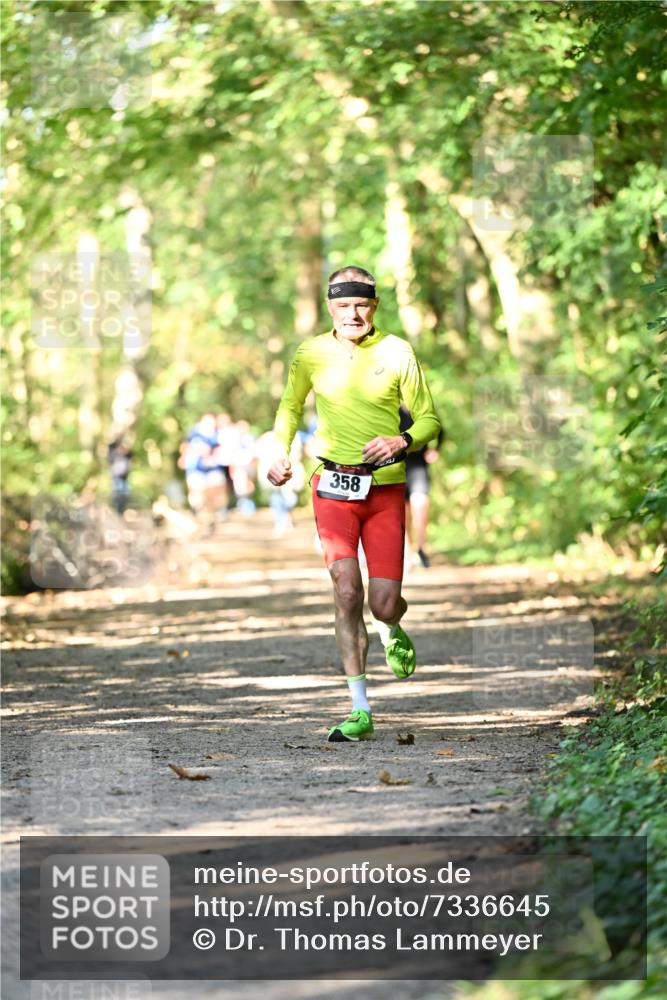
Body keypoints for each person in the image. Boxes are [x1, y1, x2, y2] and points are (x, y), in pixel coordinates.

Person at [268, 265, 441, 742]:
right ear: (330, 306)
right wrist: (278, 450)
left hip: (385, 491)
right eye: (343, 305)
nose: (353, 313)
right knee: (347, 591)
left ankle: (391, 626)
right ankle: (360, 709)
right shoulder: (311, 353)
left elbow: (429, 419)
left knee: (383, 605)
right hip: (331, 488)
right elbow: (288, 406)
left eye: (361, 304)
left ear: (375, 305)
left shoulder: (397, 351)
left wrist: (401, 439)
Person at [400, 403, 444, 569]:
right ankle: (408, 551)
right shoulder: (391, 410)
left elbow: (439, 429)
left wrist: (436, 450)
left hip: (419, 467)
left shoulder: (422, 409)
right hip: (399, 467)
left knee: (420, 507)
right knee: (403, 513)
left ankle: (421, 548)